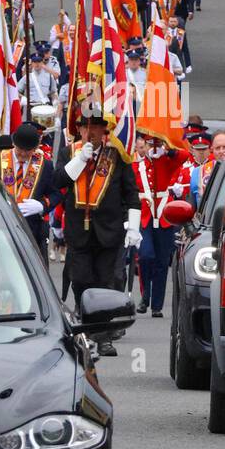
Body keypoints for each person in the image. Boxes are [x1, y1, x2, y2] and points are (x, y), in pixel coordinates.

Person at [53, 114, 141, 356]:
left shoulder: (117, 156)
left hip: (108, 231)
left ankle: (102, 337)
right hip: (78, 232)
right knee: (80, 280)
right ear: (79, 130)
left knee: (105, 285)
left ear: (105, 131)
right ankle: (85, 329)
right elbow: (58, 180)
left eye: (96, 127)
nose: (89, 132)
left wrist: (133, 226)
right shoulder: (69, 153)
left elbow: (130, 193)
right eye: (85, 128)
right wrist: (80, 159)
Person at [0, 122, 58, 262]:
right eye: (20, 150)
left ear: (36, 148)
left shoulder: (45, 165)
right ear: (14, 143)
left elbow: (56, 194)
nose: (23, 154)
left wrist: (42, 205)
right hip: (1, 228)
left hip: (32, 231)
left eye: (28, 151)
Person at [133, 136, 184, 316]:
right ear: (144, 147)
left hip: (164, 215)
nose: (151, 148)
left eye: (155, 144)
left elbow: (184, 155)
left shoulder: (166, 162)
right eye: (148, 144)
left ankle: (156, 306)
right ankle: (145, 295)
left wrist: (168, 151)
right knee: (146, 256)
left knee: (162, 261)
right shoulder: (136, 167)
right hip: (146, 216)